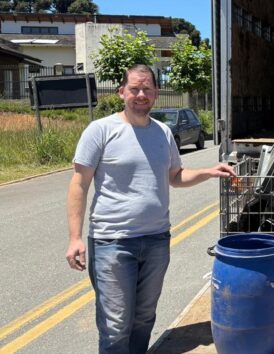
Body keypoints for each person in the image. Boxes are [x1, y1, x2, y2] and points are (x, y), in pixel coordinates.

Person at [65, 64, 236, 354]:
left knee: (144, 318)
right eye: (134, 88)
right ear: (122, 92)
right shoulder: (101, 130)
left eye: (147, 89)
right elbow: (79, 184)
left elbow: (174, 177)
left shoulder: (163, 133)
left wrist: (209, 171)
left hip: (156, 240)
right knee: (116, 324)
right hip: (112, 242)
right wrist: (75, 238)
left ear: (156, 93)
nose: (140, 94)